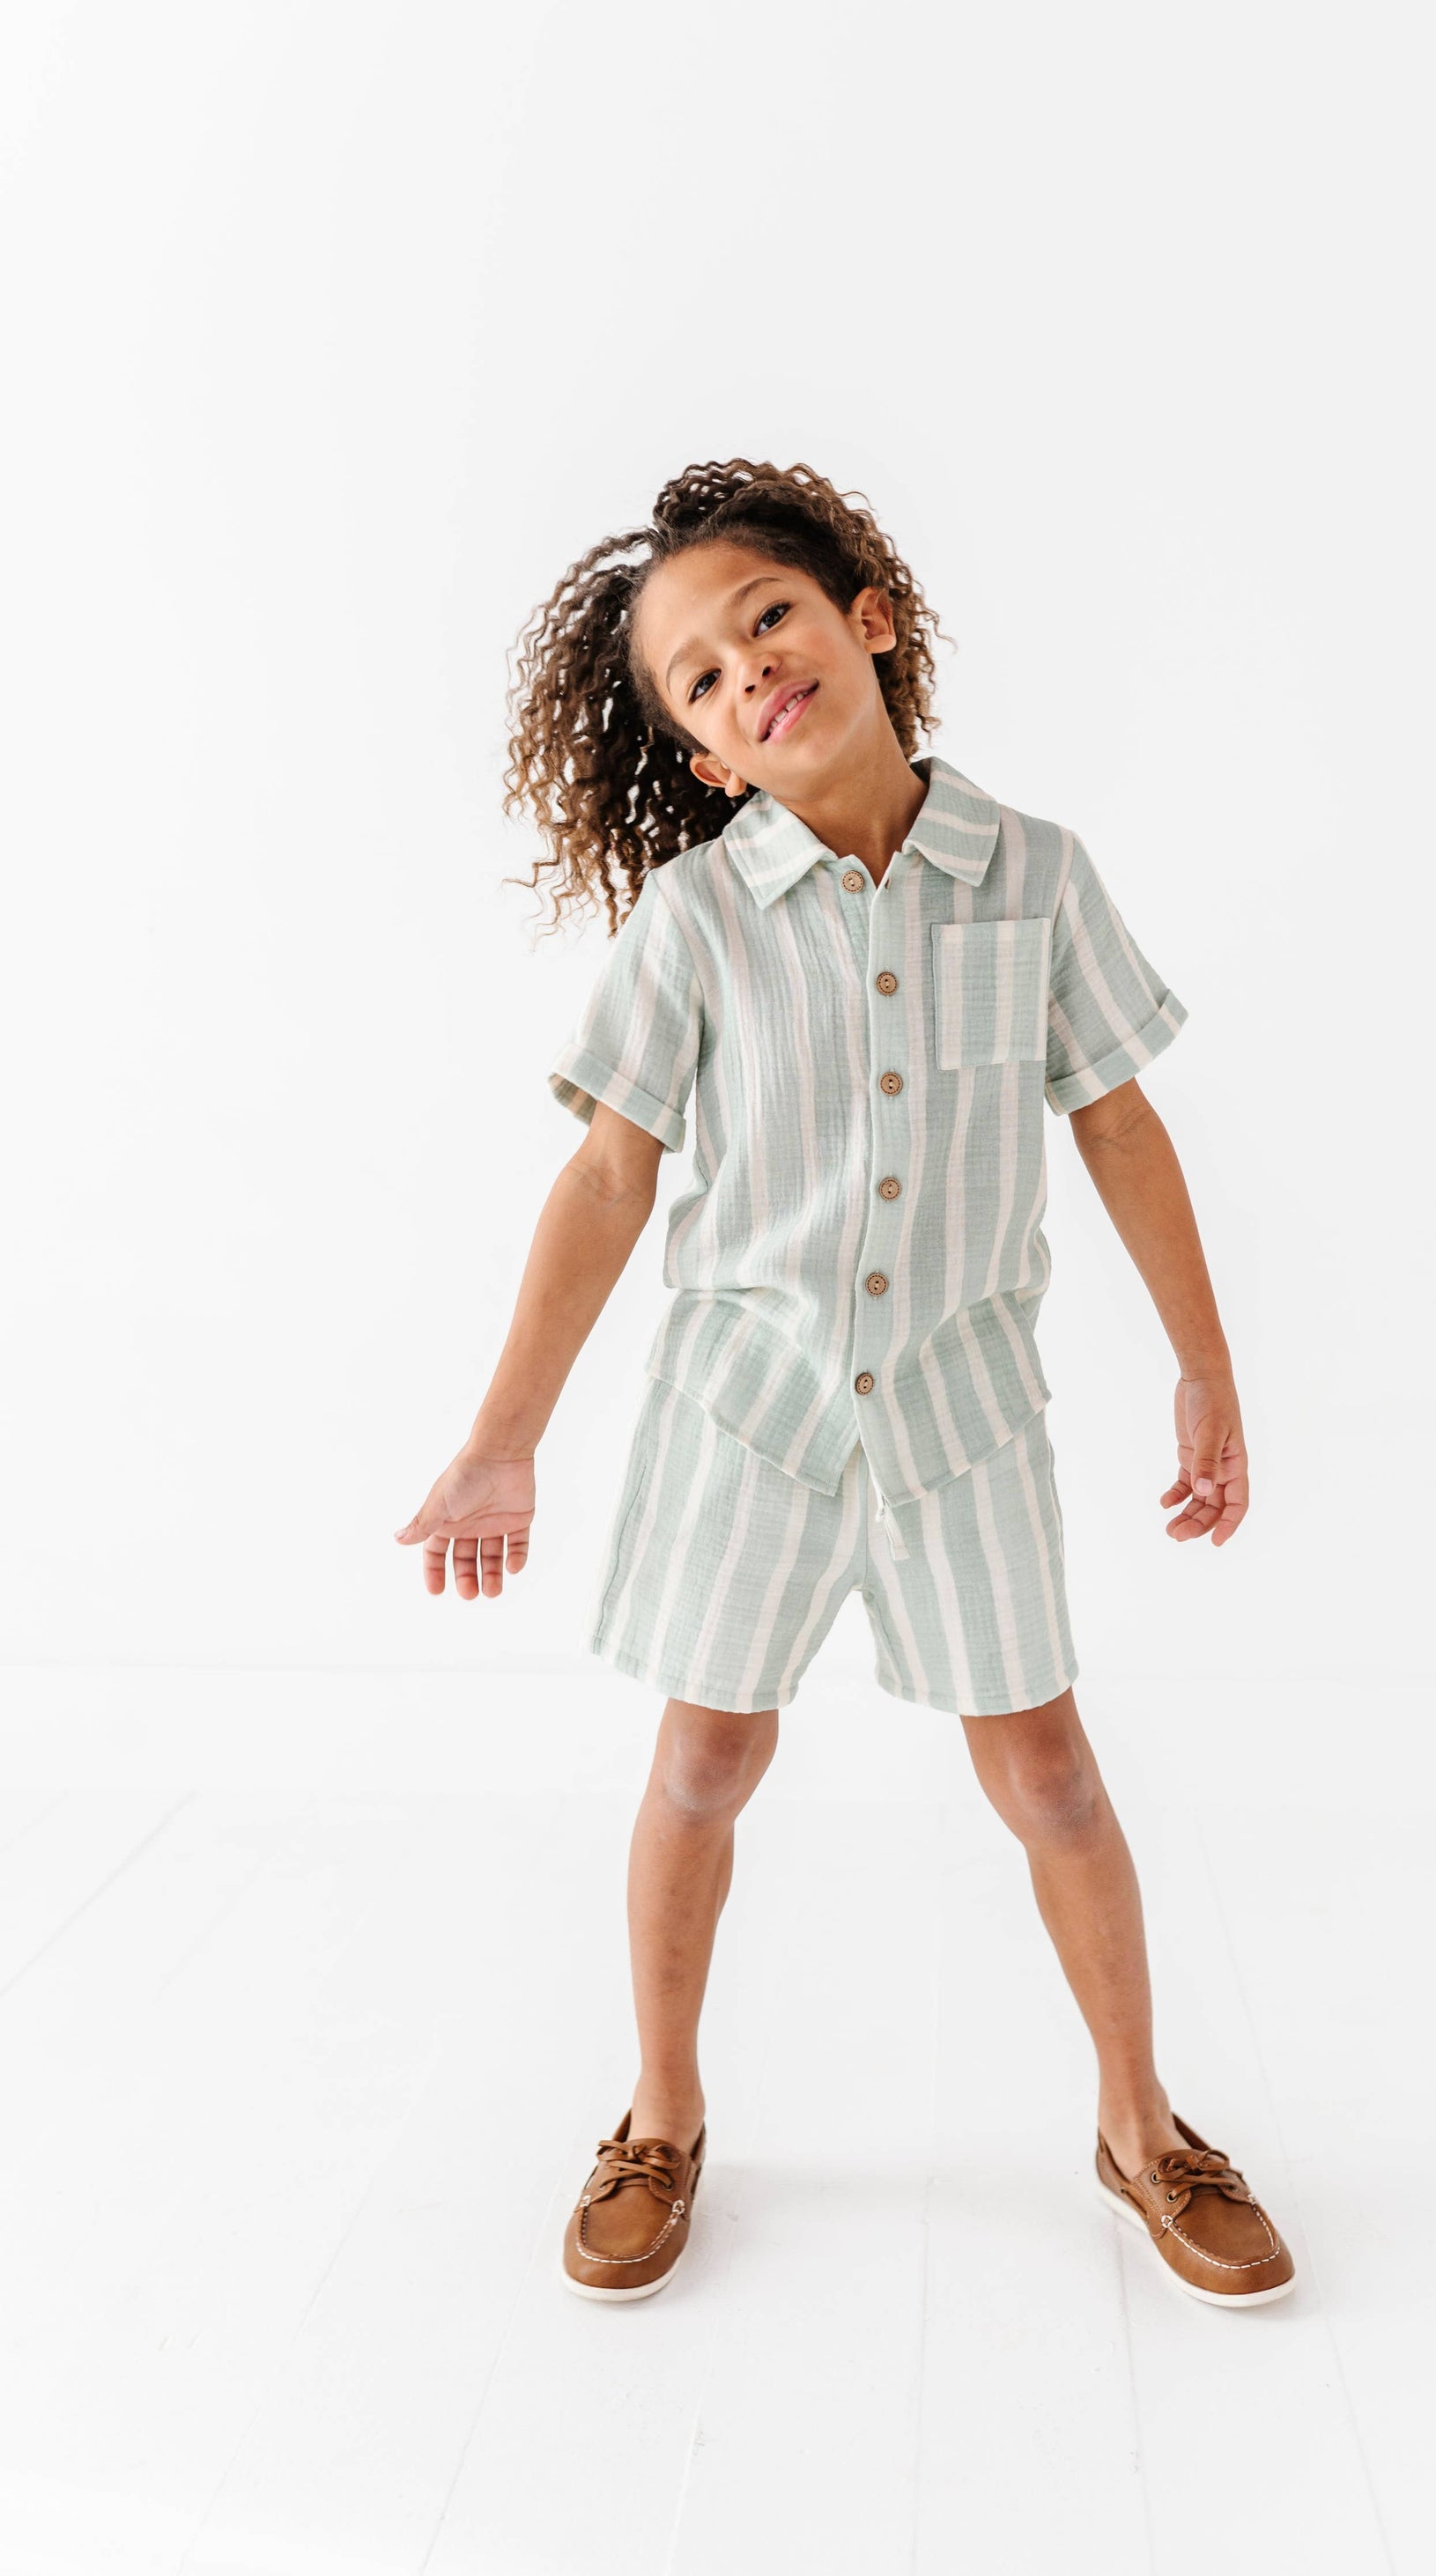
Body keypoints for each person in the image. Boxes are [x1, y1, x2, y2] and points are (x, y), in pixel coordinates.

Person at [394, 459, 1295, 2311]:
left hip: (964, 1417)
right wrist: (501, 1437)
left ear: (865, 616)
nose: (749, 671)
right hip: (750, 1414)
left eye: (769, 620)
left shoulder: (1034, 874)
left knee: (1048, 1773)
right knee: (702, 1760)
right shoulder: (697, 920)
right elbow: (608, 1179)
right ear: (705, 754)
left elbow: (1116, 1121)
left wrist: (1203, 1365)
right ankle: (659, 2114)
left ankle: (1140, 2124)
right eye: (702, 678)